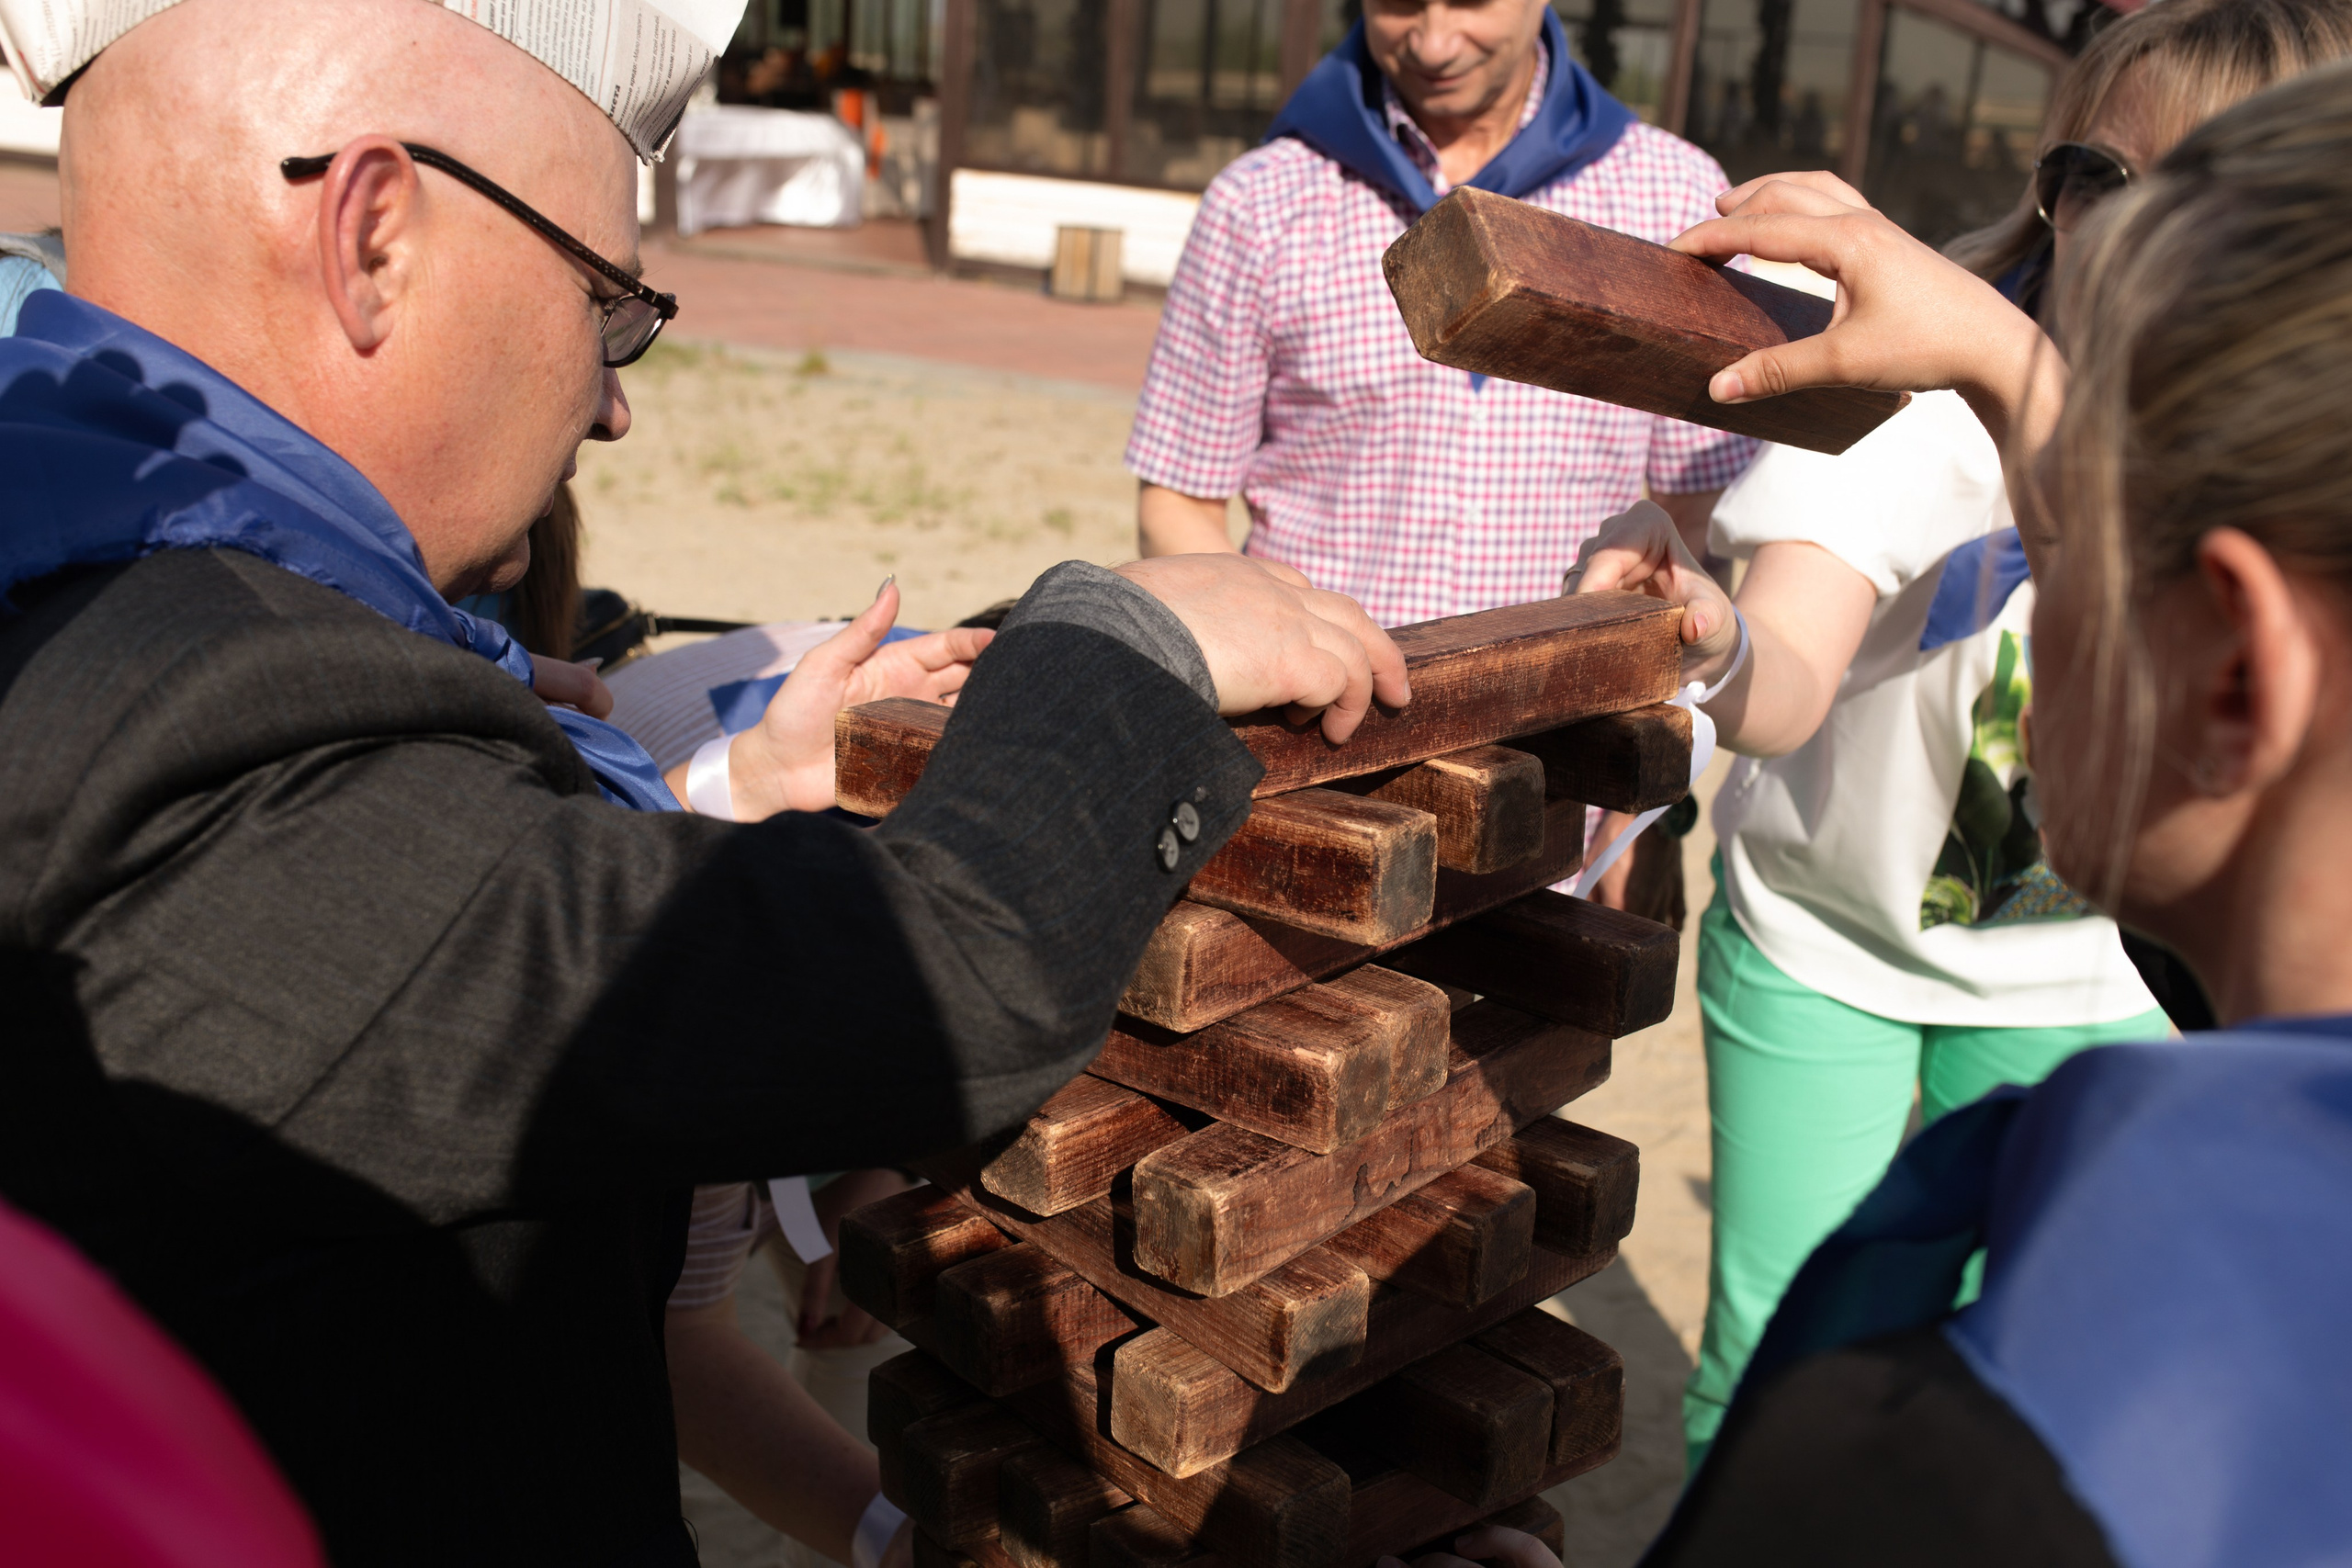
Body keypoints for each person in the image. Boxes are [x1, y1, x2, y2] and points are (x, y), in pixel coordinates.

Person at [0, 3, 1408, 1563]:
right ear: (374, 236)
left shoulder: (117, 601)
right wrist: (1131, 633)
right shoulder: (223, 723)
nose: (614, 398)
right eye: (607, 303)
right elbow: (948, 968)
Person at [1569, 0, 2352, 1473]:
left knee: (2010, 1363)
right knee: (1786, 1349)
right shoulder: (1927, 393)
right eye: (2093, 181)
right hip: (1828, 955)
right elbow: (1788, 671)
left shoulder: (2295, 468)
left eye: (2206, 198)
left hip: (2089, 973)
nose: (2121, 239)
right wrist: (1717, 637)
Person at [1125, 0, 1760, 910]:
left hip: (1564, 772)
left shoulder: (1667, 198)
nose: (1430, 41)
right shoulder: (1262, 201)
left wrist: (1644, 780)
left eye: (1467, 0)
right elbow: (1180, 501)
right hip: (1314, 766)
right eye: (1397, 2)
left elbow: (1694, 522)